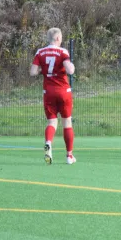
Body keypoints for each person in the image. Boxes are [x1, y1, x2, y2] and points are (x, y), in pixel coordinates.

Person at [30, 28, 76, 165]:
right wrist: (72, 66)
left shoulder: (40, 52)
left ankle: (48, 143)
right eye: (61, 37)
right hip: (63, 91)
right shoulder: (62, 52)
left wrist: (43, 70)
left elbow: (33, 72)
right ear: (57, 38)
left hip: (48, 92)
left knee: (51, 122)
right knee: (67, 122)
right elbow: (70, 70)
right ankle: (69, 156)